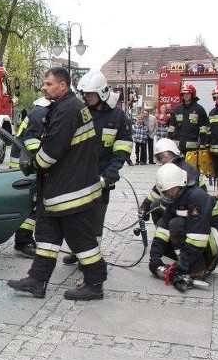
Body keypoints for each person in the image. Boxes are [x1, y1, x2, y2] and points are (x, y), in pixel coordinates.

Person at [7, 67, 106, 301]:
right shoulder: (67, 107)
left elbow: (51, 152)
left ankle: (95, 283)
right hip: (62, 190)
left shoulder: (68, 110)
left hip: (71, 192)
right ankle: (37, 280)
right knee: (46, 238)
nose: (44, 87)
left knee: (81, 241)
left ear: (63, 85)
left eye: (49, 84)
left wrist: (32, 165)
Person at [63, 71, 132, 266]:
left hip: (102, 176)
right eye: (84, 94)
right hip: (79, 175)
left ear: (102, 93)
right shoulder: (82, 112)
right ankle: (78, 252)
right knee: (76, 216)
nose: (86, 98)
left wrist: (113, 170)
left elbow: (123, 146)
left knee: (95, 219)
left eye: (89, 95)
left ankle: (92, 259)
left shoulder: (117, 116)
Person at [148, 163, 218, 286]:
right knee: (166, 241)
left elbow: (197, 237)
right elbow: (163, 227)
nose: (168, 194)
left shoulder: (197, 197)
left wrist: (182, 265)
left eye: (170, 190)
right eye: (165, 191)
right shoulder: (175, 196)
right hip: (201, 234)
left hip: (217, 235)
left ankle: (197, 269)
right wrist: (154, 257)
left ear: (181, 183)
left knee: (176, 225)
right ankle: (204, 259)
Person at [8, 96, 51, 257]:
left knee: (33, 204)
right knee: (32, 205)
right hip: (25, 165)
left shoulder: (37, 111)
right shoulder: (41, 113)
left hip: (22, 162)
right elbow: (32, 143)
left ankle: (24, 239)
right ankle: (23, 241)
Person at [140, 138, 206, 224]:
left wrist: (149, 206)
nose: (161, 162)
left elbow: (179, 195)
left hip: (194, 207)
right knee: (156, 205)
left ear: (167, 155)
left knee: (159, 207)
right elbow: (159, 189)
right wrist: (146, 204)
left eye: (160, 158)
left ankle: (167, 231)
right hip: (189, 202)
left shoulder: (180, 169)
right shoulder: (179, 166)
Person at [167, 83, 209, 157]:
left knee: (190, 167)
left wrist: (202, 144)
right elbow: (171, 127)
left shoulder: (199, 109)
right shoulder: (177, 109)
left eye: (188, 93)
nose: (186, 95)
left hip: (192, 146)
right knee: (177, 167)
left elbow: (204, 129)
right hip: (177, 146)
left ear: (192, 94)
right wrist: (168, 141)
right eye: (184, 94)